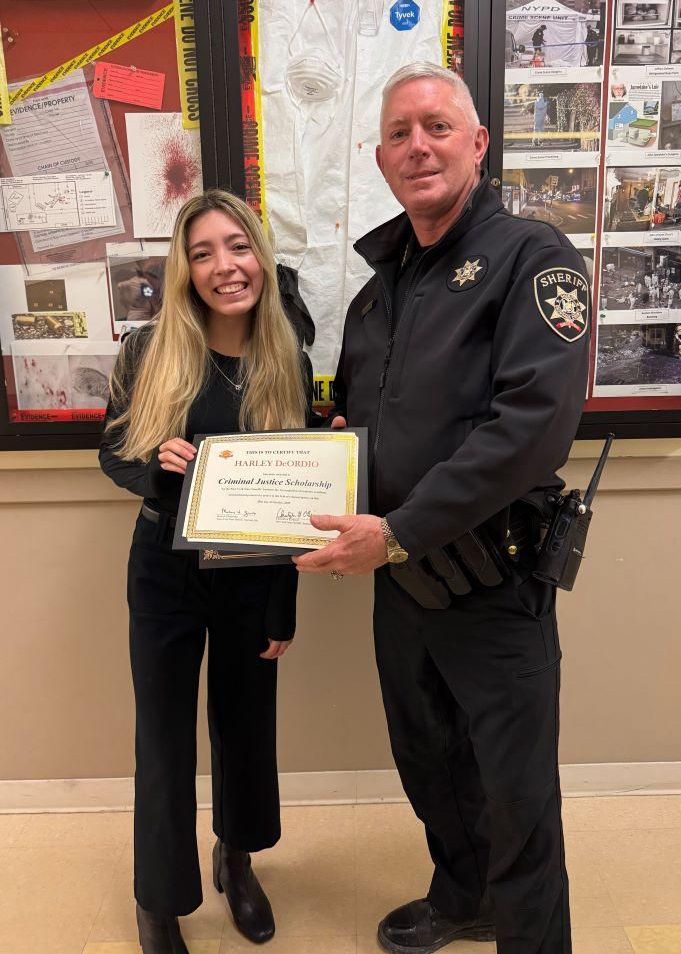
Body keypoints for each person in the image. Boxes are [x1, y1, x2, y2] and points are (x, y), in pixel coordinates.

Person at [294, 61, 590, 954]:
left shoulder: (533, 258)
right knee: (430, 763)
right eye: (398, 133)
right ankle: (466, 895)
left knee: (517, 795)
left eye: (436, 126)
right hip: (401, 584)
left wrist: (398, 530)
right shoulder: (379, 292)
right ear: (380, 159)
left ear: (477, 143)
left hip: (492, 582)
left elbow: (532, 426)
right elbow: (361, 420)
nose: (417, 145)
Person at [99, 190, 313, 954]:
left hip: (252, 573)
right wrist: (158, 467)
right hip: (165, 569)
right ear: (184, 270)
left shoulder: (288, 356)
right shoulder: (147, 350)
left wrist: (284, 599)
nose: (225, 266)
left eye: (238, 246)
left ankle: (238, 856)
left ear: (261, 255)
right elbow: (112, 454)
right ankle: (158, 900)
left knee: (246, 726)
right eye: (203, 253)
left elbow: (296, 497)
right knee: (163, 738)